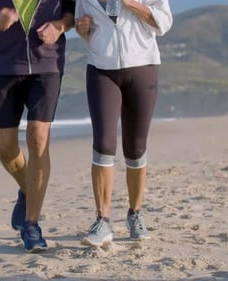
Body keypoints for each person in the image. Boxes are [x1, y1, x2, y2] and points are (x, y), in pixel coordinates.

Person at [0, 0, 75, 252]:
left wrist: (60, 26)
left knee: (38, 137)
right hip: (4, 67)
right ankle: (27, 188)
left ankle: (31, 225)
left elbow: (74, 11)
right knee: (5, 148)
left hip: (47, 64)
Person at [74, 0, 172, 246]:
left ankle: (135, 214)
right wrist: (83, 28)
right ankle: (102, 221)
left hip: (142, 66)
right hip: (101, 67)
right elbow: (84, 28)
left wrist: (130, 3)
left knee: (136, 147)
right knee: (104, 143)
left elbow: (164, 22)